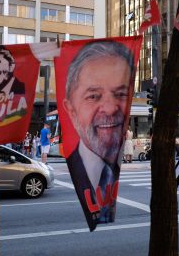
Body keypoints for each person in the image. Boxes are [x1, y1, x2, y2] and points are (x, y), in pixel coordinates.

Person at [62, 40, 135, 230]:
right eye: (93, 96)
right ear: (71, 110)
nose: (110, 109)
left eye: (120, 94)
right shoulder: (74, 165)